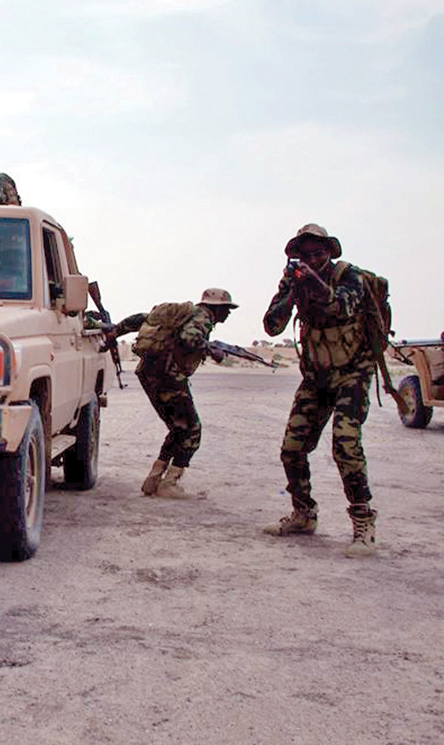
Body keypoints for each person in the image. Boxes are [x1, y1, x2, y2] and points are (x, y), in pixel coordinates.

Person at [262, 223, 379, 557]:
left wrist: (313, 283)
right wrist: (293, 293)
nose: (313, 259)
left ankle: (363, 521)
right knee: (291, 448)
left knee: (346, 445)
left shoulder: (348, 276)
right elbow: (272, 325)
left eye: (319, 253)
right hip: (316, 377)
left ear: (329, 252)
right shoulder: (292, 279)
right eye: (306, 255)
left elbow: (341, 308)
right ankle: (303, 513)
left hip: (352, 374)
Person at [108, 289, 238, 498]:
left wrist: (114, 333)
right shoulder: (203, 317)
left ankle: (153, 481)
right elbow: (189, 338)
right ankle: (170, 483)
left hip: (149, 372)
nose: (229, 314)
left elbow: (140, 319)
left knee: (178, 428)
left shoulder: (181, 314)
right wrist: (212, 351)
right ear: (217, 307)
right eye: (227, 309)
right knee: (192, 429)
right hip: (167, 377)